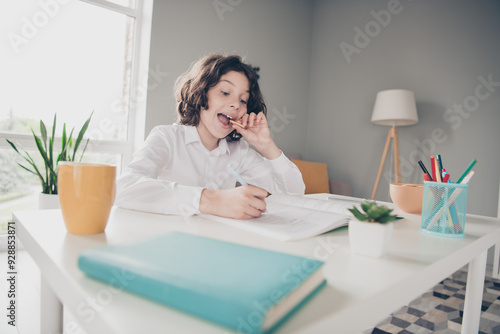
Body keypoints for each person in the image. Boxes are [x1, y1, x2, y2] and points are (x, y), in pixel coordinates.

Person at [115, 53, 305, 219]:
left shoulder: (239, 152)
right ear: (201, 93)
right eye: (225, 92)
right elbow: (124, 189)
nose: (236, 105)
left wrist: (266, 145)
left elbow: (294, 193)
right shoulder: (166, 138)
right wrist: (211, 200)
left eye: (243, 100)